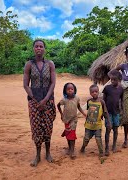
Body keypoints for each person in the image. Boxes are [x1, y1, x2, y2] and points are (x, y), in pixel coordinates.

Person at [23, 39, 56, 167]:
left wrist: (45, 99)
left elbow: (53, 83)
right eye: (36, 46)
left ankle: (48, 153)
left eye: (41, 46)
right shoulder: (29, 65)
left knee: (48, 127)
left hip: (48, 100)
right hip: (34, 102)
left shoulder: (50, 64)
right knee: (36, 128)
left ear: (44, 49)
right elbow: (25, 85)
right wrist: (36, 100)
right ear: (33, 49)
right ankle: (37, 154)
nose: (39, 48)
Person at [80, 84, 111, 157]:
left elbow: (105, 112)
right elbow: (89, 111)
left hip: (97, 125)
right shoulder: (89, 101)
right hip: (88, 125)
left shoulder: (101, 102)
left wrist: (109, 122)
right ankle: (83, 147)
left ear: (98, 92)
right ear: (90, 93)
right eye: (92, 92)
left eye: (96, 91)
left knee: (98, 138)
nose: (94, 93)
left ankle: (101, 152)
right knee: (86, 138)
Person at [57, 82, 86, 159]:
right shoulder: (64, 100)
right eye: (68, 89)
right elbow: (58, 105)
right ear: (65, 91)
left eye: (72, 89)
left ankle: (72, 151)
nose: (70, 90)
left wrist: (83, 113)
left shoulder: (77, 98)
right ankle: (69, 148)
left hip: (74, 119)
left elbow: (79, 107)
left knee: (72, 134)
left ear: (74, 90)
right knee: (68, 134)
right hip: (66, 120)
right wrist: (61, 114)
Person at [102, 70, 124, 156]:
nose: (112, 81)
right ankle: (107, 147)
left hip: (116, 112)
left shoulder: (121, 89)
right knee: (108, 129)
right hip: (108, 112)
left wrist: (122, 110)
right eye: (111, 80)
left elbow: (121, 100)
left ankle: (114, 145)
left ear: (119, 79)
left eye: (115, 80)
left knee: (116, 129)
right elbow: (103, 101)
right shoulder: (107, 88)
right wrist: (103, 111)